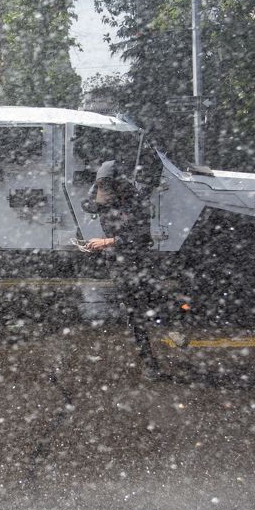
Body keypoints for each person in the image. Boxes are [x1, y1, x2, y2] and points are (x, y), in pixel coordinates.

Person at [83, 160, 161, 375]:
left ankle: (149, 361)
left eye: (108, 185)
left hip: (136, 260)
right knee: (133, 305)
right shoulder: (105, 197)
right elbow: (87, 204)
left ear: (119, 184)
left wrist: (106, 242)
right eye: (101, 186)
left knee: (137, 307)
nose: (104, 192)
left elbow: (139, 237)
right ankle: (144, 343)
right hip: (116, 261)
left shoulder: (136, 203)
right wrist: (96, 182)